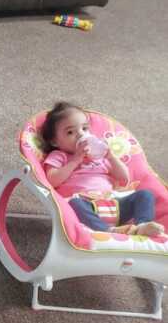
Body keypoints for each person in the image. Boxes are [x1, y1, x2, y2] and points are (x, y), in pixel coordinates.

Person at [41, 101, 164, 237]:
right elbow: (52, 180)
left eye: (85, 128)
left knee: (145, 195)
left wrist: (110, 157)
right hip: (86, 206)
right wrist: (75, 160)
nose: (81, 134)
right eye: (70, 132)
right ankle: (108, 232)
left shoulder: (98, 157)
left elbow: (124, 178)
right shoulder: (59, 156)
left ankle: (142, 226)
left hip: (113, 204)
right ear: (54, 141)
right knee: (74, 204)